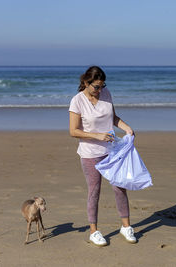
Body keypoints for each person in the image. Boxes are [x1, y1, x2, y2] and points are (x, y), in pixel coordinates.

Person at [69, 66, 136, 246]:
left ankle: (126, 227)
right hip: (90, 154)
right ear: (86, 83)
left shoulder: (106, 94)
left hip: (111, 151)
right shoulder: (77, 101)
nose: (99, 90)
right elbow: (73, 131)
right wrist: (97, 135)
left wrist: (127, 128)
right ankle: (94, 231)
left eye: (102, 86)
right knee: (94, 191)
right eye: (96, 87)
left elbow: (112, 118)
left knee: (119, 187)